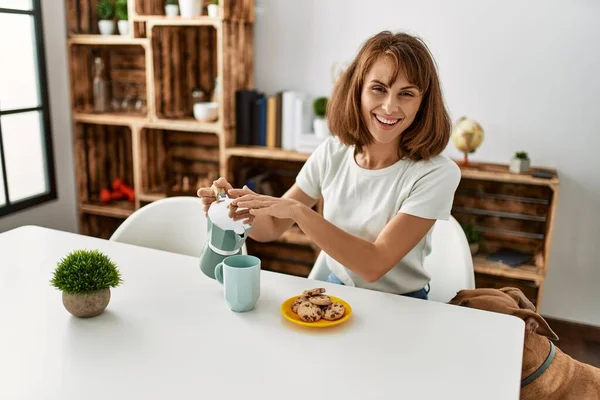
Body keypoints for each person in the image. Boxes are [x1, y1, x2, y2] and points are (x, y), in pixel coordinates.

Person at [197, 31, 460, 300]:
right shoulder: (333, 152)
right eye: (378, 88)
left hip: (403, 305)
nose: (390, 106)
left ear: (423, 104)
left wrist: (299, 212)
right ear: (357, 90)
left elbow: (374, 265)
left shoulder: (436, 174)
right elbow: (272, 228)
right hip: (335, 293)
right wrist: (237, 208)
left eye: (406, 94)